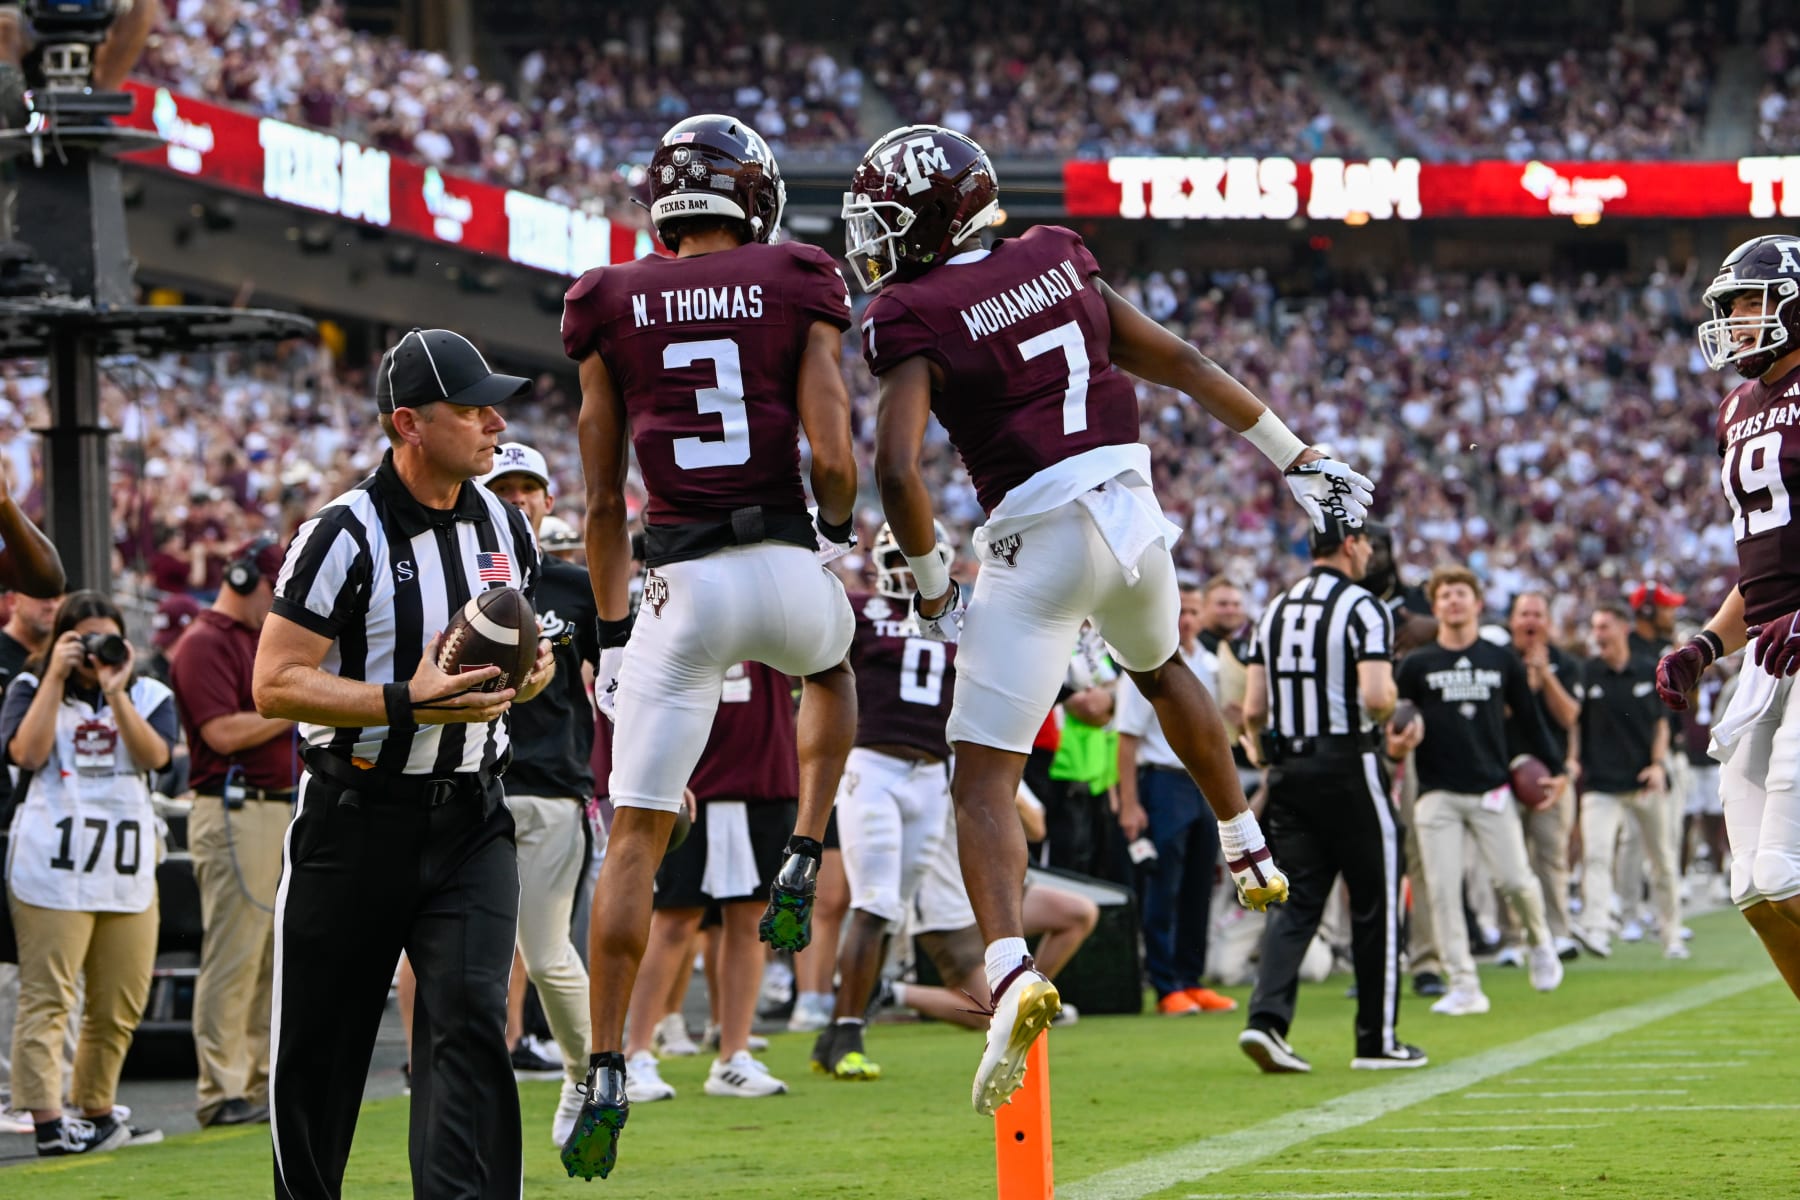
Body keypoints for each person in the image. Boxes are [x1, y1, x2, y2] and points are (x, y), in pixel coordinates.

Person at [849, 123, 1364, 1113]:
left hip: (1034, 535)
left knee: (982, 775)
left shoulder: (909, 306)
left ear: (933, 218)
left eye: (889, 219)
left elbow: (895, 468)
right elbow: (1182, 360)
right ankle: (1244, 840)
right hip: (1133, 514)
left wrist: (924, 583)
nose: (875, 239)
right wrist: (1294, 455)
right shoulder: (1056, 253)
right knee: (1163, 665)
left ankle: (1007, 971)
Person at [560, 113, 858, 1180]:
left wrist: (607, 638)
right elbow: (833, 457)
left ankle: (602, 1065)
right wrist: (832, 535)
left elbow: (600, 504)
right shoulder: (798, 275)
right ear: (755, 198)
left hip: (678, 589)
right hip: (782, 560)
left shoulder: (608, 297)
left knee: (635, 839)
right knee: (832, 667)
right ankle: (808, 846)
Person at [252, 327, 553, 1200]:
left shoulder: (504, 522)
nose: (497, 421)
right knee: (321, 1053)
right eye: (471, 408)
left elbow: (523, 662)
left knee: (469, 1024)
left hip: (470, 816)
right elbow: (274, 683)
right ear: (408, 424)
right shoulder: (341, 533)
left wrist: (531, 674)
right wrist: (404, 700)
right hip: (354, 817)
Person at [1658, 233, 1800, 1001]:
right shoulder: (1736, 408)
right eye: (1734, 306)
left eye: (1755, 301)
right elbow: (1764, 568)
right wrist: (1708, 643)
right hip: (1766, 662)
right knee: (1751, 889)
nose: (1741, 320)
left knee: (1784, 871)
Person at [1238, 521, 1423, 1073]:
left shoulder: (1274, 607)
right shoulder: (1364, 607)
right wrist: (1392, 714)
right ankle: (1377, 1039)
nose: (1370, 553)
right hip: (1349, 763)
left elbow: (1252, 710)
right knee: (1377, 901)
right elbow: (1375, 694)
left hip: (1290, 768)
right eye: (1366, 544)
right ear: (1350, 544)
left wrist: (1267, 754)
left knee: (1294, 904)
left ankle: (1266, 1022)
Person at [4, 591, 172, 1155]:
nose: (97, 652)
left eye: (108, 638)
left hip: (124, 868)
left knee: (119, 999)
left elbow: (156, 759)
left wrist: (116, 691)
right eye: (85, 640)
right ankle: (49, 1124)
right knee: (48, 997)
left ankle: (96, 1111)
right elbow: (26, 753)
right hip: (51, 864)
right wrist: (55, 675)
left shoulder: (149, 693)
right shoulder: (29, 688)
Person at [478, 441, 600, 1145]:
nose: (517, 499)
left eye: (529, 488)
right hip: (465, 783)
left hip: (551, 784)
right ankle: (464, 1087)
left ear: (549, 502)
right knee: (466, 956)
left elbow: (628, 682)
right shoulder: (459, 577)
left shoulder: (575, 588)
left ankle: (587, 1077)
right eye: (504, 487)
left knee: (547, 950)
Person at [813, 522, 957, 1080]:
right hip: (871, 766)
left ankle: (841, 1029)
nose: (904, 567)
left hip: (931, 775)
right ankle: (849, 1029)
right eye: (894, 556)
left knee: (891, 911)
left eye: (913, 556)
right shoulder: (857, 610)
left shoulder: (957, 616)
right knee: (872, 904)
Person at [619, 662, 797, 1103]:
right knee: (674, 921)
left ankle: (733, 1052)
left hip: (764, 779)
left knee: (750, 918)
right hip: (693, 782)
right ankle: (635, 1052)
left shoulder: (774, 609)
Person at [1394, 566, 1566, 1017]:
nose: (1453, 601)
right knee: (1443, 891)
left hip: (1492, 786)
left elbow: (1530, 720)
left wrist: (1558, 769)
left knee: (1515, 880)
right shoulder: (1416, 665)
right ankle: (1465, 985)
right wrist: (1394, 745)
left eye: (1461, 594)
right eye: (1445, 595)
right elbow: (1395, 723)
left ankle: (1540, 942)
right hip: (1437, 792)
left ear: (1476, 603)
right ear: (1435, 607)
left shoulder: (1500, 658)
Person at [168, 536, 298, 1129]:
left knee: (271, 956)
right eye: (275, 587)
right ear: (246, 579)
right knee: (234, 952)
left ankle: (254, 1080)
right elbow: (220, 734)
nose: (279, 601)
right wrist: (300, 703)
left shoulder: (255, 639)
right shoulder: (204, 642)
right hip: (233, 807)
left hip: (276, 806)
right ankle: (220, 1089)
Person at [1116, 582, 1237, 1016]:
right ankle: (1167, 984)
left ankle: (1191, 978)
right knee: (1164, 885)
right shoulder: (1146, 660)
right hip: (1163, 781)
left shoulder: (1211, 665)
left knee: (1200, 883)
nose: (1186, 619)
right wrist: (1128, 803)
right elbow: (1126, 738)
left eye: (1192, 612)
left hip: (1202, 784)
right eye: (1180, 610)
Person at [1571, 602, 1683, 960]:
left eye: (1603, 626)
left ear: (1622, 628)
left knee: (1662, 860)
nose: (1597, 633)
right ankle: (1597, 927)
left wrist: (1657, 764)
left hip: (1643, 781)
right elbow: (1575, 723)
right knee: (1597, 856)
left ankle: (1672, 933)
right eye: (1595, 627)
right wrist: (1573, 760)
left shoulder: (1646, 669)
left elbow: (1661, 724)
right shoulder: (1587, 672)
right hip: (1600, 783)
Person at [1503, 591, 1582, 961]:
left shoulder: (1566, 664)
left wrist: (1545, 674)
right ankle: (1513, 938)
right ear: (1512, 621)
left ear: (1547, 623)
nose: (1530, 621)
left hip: (1551, 776)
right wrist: (1524, 683)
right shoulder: (1499, 662)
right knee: (1509, 860)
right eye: (1524, 614)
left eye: (1537, 614)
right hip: (1505, 774)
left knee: (1551, 859)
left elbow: (1569, 716)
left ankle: (1558, 931)